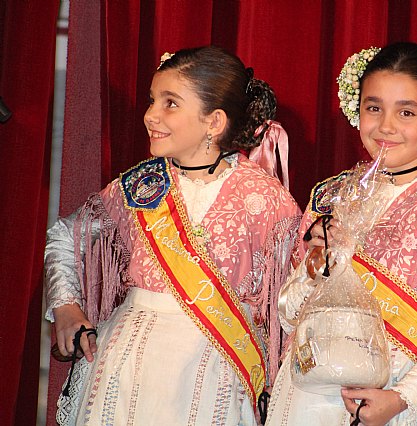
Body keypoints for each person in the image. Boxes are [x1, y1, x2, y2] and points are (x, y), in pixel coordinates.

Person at [44, 45, 301, 425]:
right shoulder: (138, 185)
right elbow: (65, 236)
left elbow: (291, 306)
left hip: (215, 373)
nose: (151, 115)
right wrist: (66, 305)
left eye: (170, 103)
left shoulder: (268, 200)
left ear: (213, 122)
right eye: (152, 100)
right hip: (126, 366)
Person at [266, 42, 417, 425]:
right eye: (373, 108)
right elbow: (288, 315)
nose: (386, 126)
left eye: (406, 112)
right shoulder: (331, 196)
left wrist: (401, 398)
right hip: (312, 397)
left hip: (403, 397)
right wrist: (318, 267)